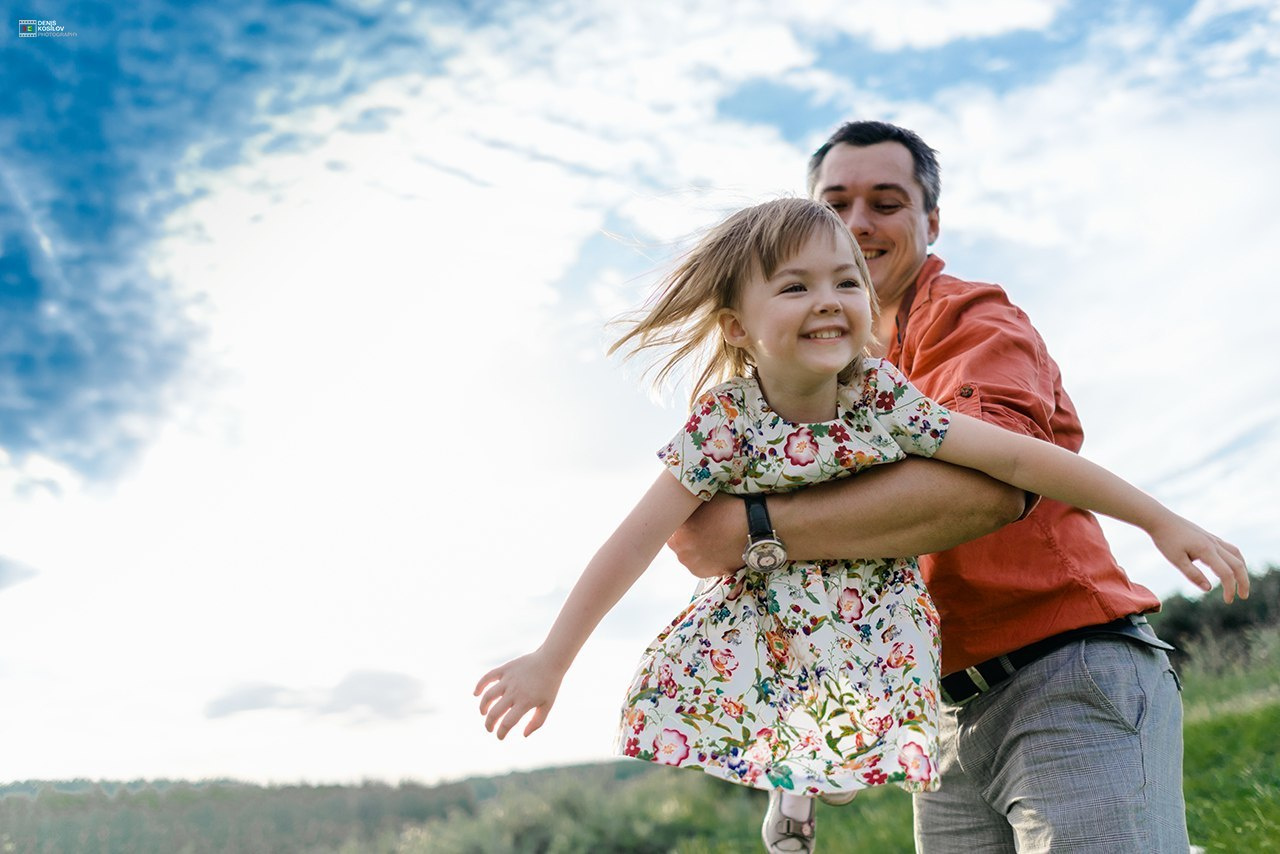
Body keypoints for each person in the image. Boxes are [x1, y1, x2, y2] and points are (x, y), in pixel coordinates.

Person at [473, 197, 1246, 854]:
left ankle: (819, 765)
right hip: (777, 623)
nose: (830, 298)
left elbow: (1018, 461)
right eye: (796, 285)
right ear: (738, 327)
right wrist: (552, 658)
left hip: (877, 624)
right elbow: (636, 541)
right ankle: (799, 770)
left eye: (846, 281)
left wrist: (1158, 517)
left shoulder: (881, 395)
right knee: (745, 643)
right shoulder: (724, 423)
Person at [664, 122, 1252, 853]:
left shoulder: (971, 321)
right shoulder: (817, 380)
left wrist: (757, 530)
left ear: (930, 222)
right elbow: (818, 591)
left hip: (1060, 673)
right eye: (836, 202)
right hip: (941, 717)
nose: (857, 223)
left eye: (886, 201)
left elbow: (986, 491)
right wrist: (801, 774)